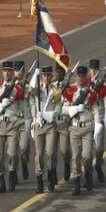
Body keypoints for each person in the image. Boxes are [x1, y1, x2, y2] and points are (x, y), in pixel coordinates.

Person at [0, 60, 25, 193]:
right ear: (2, 73)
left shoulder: (17, 89)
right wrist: (0, 108)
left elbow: (22, 106)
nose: (7, 73)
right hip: (0, 123)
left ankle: (13, 171)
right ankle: (1, 180)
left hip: (13, 124)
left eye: (9, 71)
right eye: (5, 71)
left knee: (12, 153)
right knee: (0, 155)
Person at [63, 66, 99, 195]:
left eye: (82, 76)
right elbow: (64, 109)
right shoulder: (71, 91)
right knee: (76, 156)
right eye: (78, 76)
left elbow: (95, 109)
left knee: (87, 156)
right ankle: (76, 181)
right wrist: (74, 109)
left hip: (88, 127)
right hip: (75, 127)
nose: (79, 78)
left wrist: (98, 123)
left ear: (86, 77)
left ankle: (88, 173)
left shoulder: (91, 93)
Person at [29, 65, 61, 193]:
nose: (46, 77)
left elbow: (58, 108)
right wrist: (34, 76)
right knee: (39, 154)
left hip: (50, 124)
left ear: (51, 76)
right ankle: (39, 180)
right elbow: (31, 89)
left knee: (51, 152)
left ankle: (51, 173)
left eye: (48, 75)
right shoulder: (37, 88)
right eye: (44, 75)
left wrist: (48, 115)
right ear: (41, 76)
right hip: (39, 125)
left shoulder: (56, 90)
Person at [88, 59, 106, 184]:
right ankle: (88, 172)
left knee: (99, 147)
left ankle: (98, 165)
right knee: (87, 147)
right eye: (92, 69)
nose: (94, 72)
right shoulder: (85, 83)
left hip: (100, 117)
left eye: (96, 69)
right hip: (88, 117)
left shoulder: (103, 85)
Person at [13, 60, 32, 181]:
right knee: (12, 151)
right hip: (13, 120)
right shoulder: (10, 85)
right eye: (16, 70)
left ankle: (24, 163)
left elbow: (32, 99)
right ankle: (13, 173)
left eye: (20, 70)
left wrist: (26, 88)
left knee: (24, 148)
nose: (17, 73)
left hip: (25, 119)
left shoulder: (28, 85)